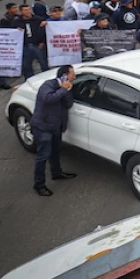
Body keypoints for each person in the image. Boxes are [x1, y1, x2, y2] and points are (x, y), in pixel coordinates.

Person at [31, 65, 78, 197]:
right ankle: (39, 185)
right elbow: (48, 99)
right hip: (43, 127)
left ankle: (56, 173)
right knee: (43, 156)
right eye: (72, 74)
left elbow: (68, 104)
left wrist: (67, 91)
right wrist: (63, 89)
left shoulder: (66, 87)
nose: (74, 76)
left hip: (56, 126)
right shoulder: (48, 85)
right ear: (64, 75)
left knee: (56, 152)